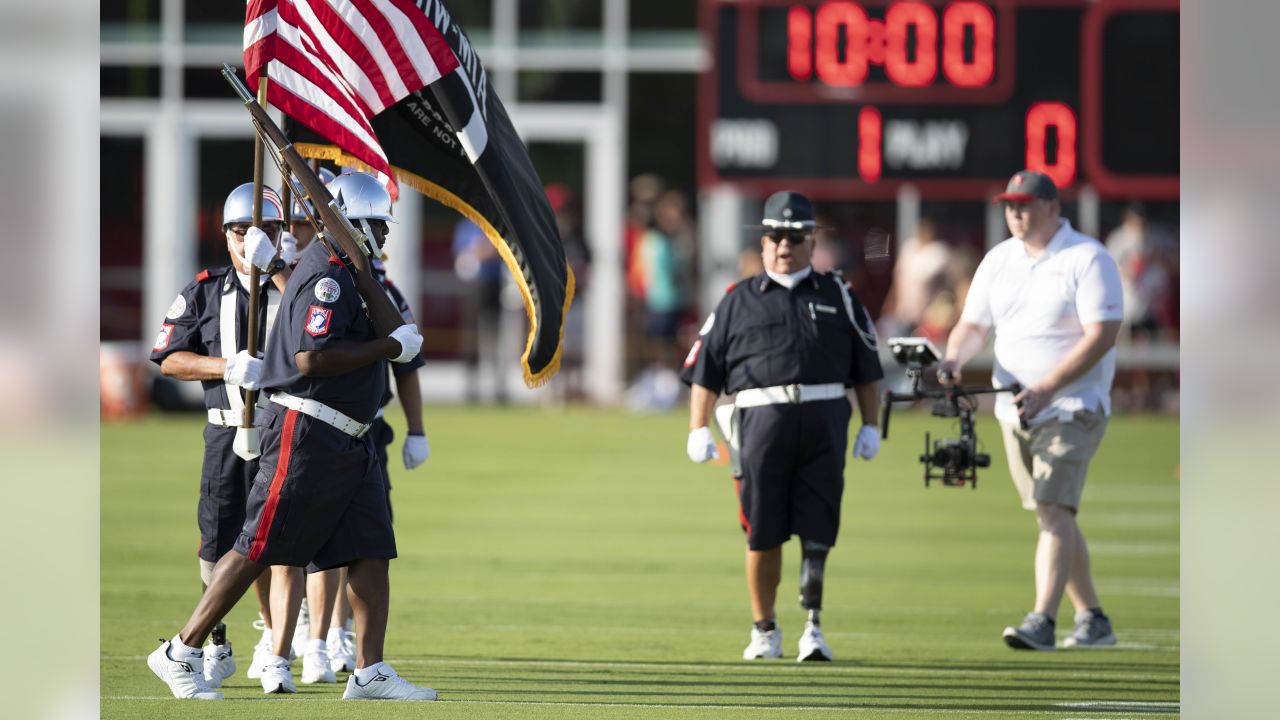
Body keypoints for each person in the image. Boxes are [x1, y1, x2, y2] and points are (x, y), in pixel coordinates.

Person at [146, 170, 436, 701]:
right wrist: (387, 349)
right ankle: (180, 650)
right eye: (378, 224)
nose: (386, 235)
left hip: (354, 436)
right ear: (351, 220)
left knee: (371, 548)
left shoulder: (352, 270)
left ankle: (369, 671)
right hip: (310, 429)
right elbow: (312, 356)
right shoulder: (326, 271)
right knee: (259, 543)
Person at [680, 191, 883, 662]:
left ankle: (813, 627)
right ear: (763, 242)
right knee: (762, 531)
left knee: (818, 531)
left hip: (824, 418)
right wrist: (698, 427)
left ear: (812, 241)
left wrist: (872, 425)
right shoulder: (738, 300)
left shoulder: (839, 295)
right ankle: (764, 628)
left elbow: (867, 366)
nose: (783, 246)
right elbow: (705, 369)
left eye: (794, 237)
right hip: (760, 423)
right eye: (774, 236)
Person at [939, 170, 1124, 651]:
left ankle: (1042, 619)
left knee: (1050, 506)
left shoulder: (1087, 257)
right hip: (1014, 408)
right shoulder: (998, 260)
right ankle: (1093, 618)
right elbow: (972, 324)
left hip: (1071, 403)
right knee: (1052, 513)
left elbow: (1101, 335)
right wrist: (954, 359)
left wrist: (1047, 386)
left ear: (1052, 207)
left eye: (1024, 204)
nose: (1015, 213)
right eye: (1009, 205)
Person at [149, 183, 292, 689]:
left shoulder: (294, 288)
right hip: (225, 435)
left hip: (282, 436)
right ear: (226, 234)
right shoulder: (205, 290)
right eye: (240, 231)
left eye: (268, 230)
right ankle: (217, 640)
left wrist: (280, 269)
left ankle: (277, 646)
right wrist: (226, 366)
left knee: (274, 548)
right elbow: (168, 359)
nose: (250, 240)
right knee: (216, 554)